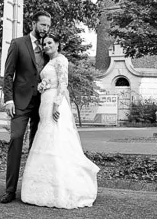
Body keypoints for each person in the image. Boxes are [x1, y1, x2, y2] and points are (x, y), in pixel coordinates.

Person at [20, 36, 99, 209]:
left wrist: (56, 105)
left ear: (57, 45)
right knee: (46, 138)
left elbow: (63, 83)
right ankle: (42, 188)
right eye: (44, 44)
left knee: (57, 139)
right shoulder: (50, 62)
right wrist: (42, 86)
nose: (47, 46)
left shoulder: (61, 60)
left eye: (50, 43)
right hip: (45, 102)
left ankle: (63, 188)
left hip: (55, 103)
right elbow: (49, 81)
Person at [0, 10, 51, 204]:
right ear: (34, 24)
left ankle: (33, 189)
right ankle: (10, 190)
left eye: (48, 26)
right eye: (43, 25)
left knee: (37, 146)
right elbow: (8, 74)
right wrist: (9, 99)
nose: (45, 29)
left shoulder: (49, 46)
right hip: (20, 102)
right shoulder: (18, 43)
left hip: (42, 104)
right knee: (16, 139)